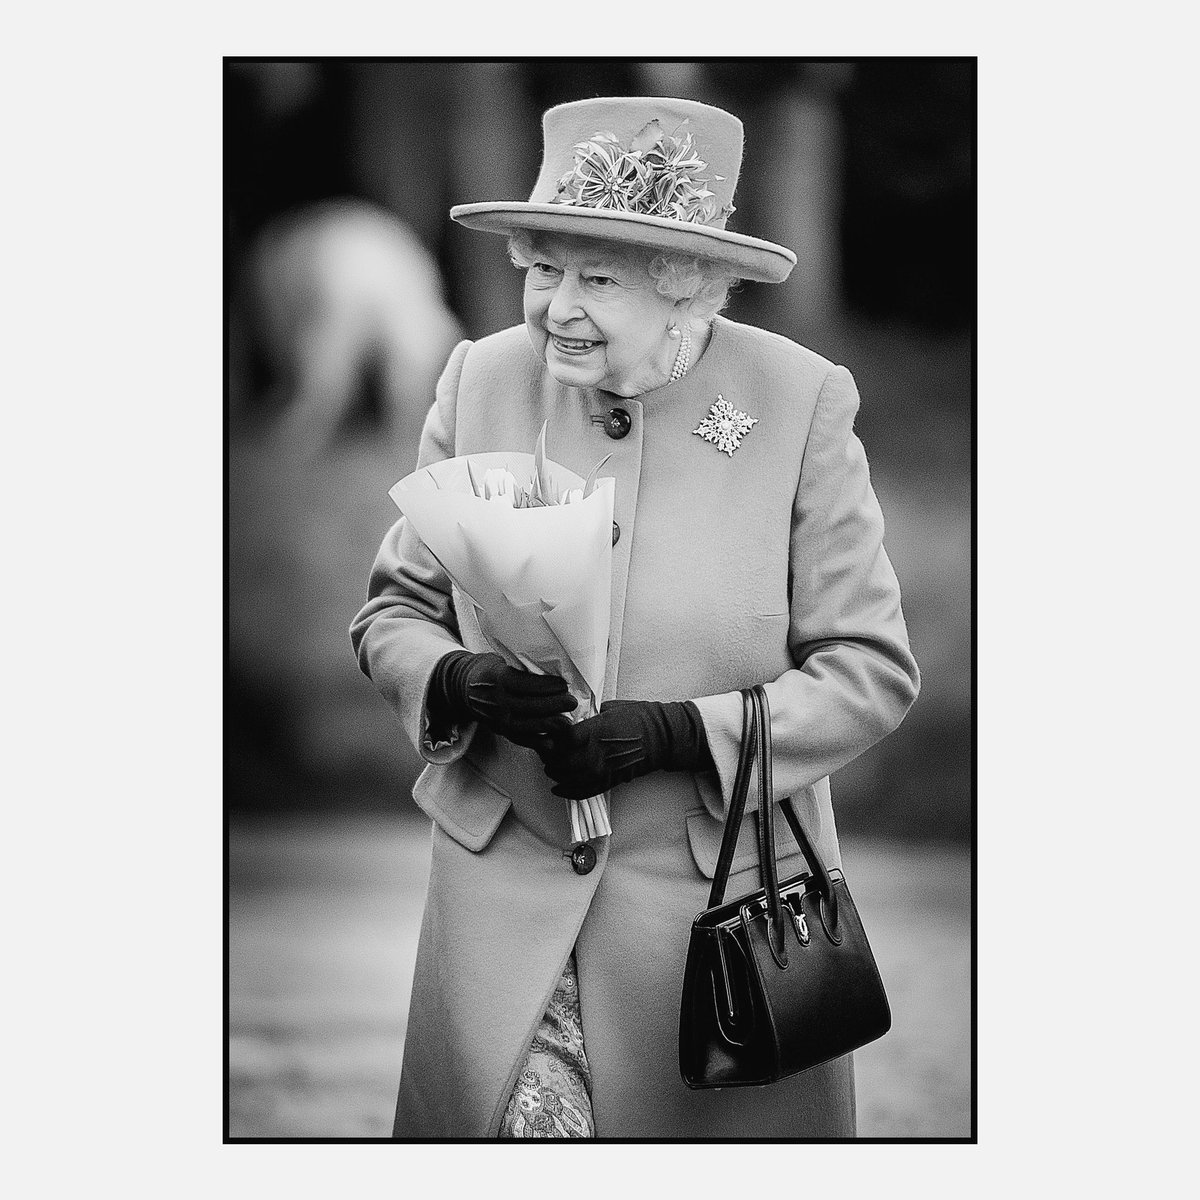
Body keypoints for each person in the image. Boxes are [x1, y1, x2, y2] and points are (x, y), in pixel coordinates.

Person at [350, 96, 919, 1139]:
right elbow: (396, 609)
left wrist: (678, 733)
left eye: (597, 278)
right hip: (504, 893)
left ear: (688, 292)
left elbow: (870, 670)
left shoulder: (796, 405)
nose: (556, 306)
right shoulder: (481, 378)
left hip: (709, 923)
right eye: (541, 268)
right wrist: (452, 679)